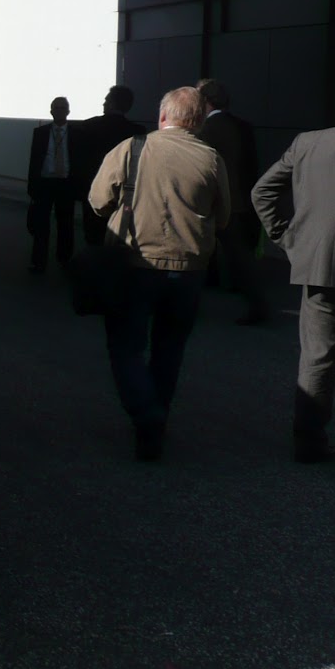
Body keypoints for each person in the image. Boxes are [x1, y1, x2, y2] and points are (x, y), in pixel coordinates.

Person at [88, 87, 230, 461]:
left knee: (126, 346)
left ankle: (145, 414)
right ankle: (156, 422)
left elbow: (98, 199)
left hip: (136, 264)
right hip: (190, 269)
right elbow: (225, 215)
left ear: (163, 116)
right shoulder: (212, 159)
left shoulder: (132, 148)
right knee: (170, 348)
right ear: (198, 121)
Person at [250, 77, 335, 470]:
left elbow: (262, 192)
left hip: (319, 265)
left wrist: (288, 238)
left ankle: (308, 444)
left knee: (317, 357)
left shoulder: (308, 143)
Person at [196, 78, 269, 325]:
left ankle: (258, 306)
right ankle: (255, 302)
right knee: (240, 255)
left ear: (205, 101)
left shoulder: (206, 129)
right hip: (241, 199)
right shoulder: (243, 126)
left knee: (206, 250)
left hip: (219, 201)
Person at [76, 85, 144, 246]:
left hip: (94, 188)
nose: (103, 104)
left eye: (106, 100)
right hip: (126, 192)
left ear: (111, 103)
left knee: (93, 237)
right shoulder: (138, 131)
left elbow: (81, 161)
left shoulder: (88, 126)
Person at [26, 97, 83, 272]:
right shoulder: (40, 132)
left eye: (62, 108)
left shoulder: (76, 133)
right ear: (51, 111)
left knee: (65, 224)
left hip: (66, 183)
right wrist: (32, 186)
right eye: (56, 108)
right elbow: (34, 161)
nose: (59, 111)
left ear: (68, 111)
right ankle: (38, 261)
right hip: (45, 183)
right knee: (41, 225)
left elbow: (80, 161)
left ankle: (64, 259)